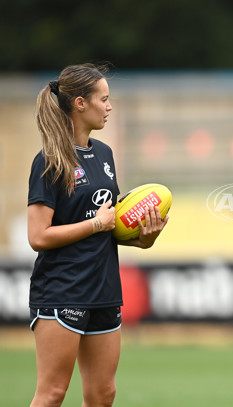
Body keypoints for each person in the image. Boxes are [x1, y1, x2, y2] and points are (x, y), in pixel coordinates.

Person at [27, 63, 169, 407]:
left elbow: (110, 226)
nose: (109, 106)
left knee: (103, 394)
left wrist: (144, 237)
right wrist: (95, 224)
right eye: (103, 99)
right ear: (79, 103)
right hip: (63, 290)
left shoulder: (104, 154)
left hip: (104, 288)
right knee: (52, 394)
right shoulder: (49, 160)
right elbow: (38, 236)